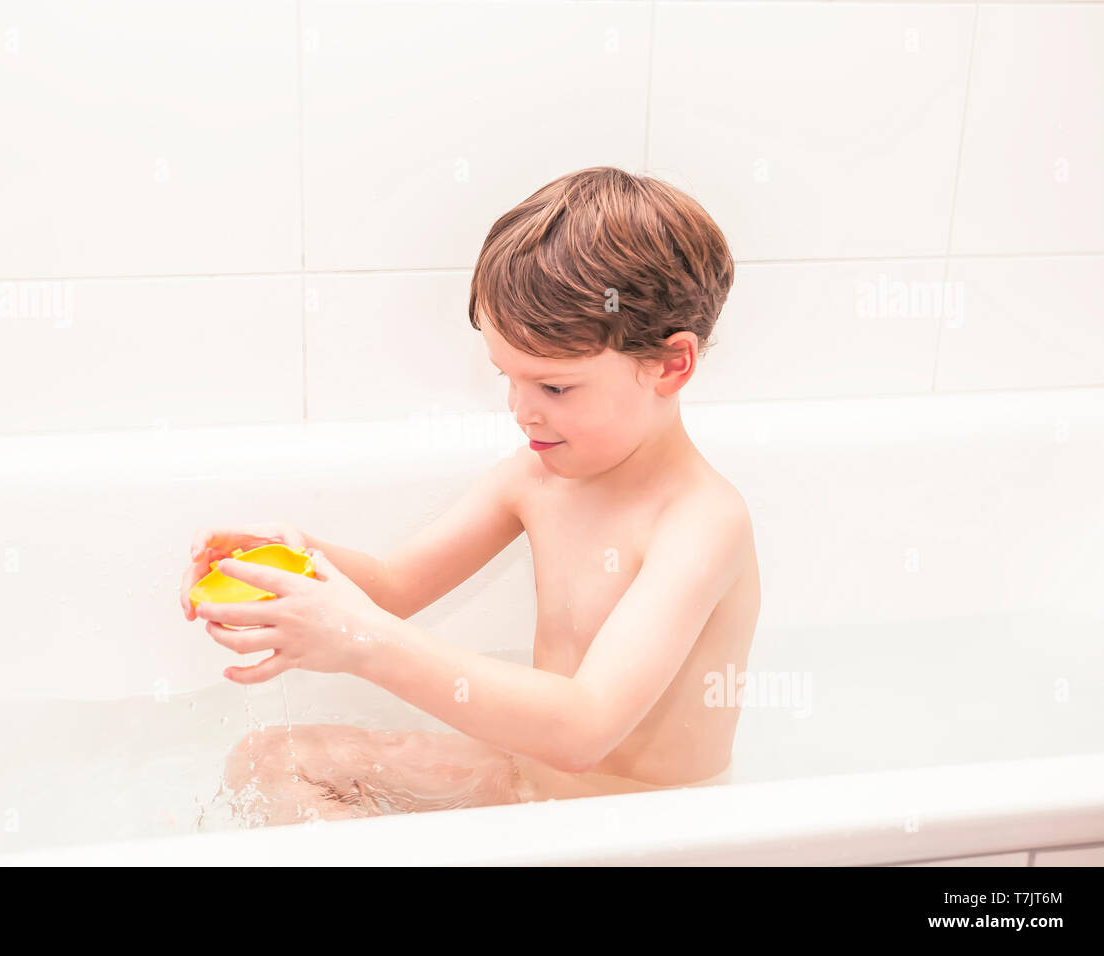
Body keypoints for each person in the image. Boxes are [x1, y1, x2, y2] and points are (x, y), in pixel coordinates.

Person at [181, 166, 760, 825]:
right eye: (506, 379)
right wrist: (286, 560)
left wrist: (365, 642)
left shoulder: (701, 524)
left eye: (554, 388)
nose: (521, 410)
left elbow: (584, 728)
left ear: (670, 364)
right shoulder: (536, 478)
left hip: (643, 827)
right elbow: (396, 585)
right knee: (269, 762)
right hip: (529, 781)